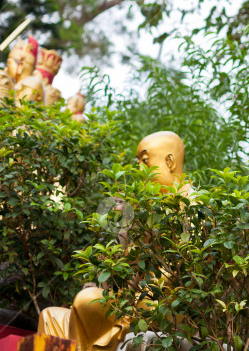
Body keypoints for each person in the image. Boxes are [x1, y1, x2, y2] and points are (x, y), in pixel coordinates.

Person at [37, 132, 190, 350]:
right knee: (50, 316)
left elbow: (179, 282)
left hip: (152, 307)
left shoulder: (191, 208)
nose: (138, 169)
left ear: (169, 161)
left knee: (84, 301)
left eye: (144, 161)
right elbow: (116, 266)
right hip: (122, 300)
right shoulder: (139, 209)